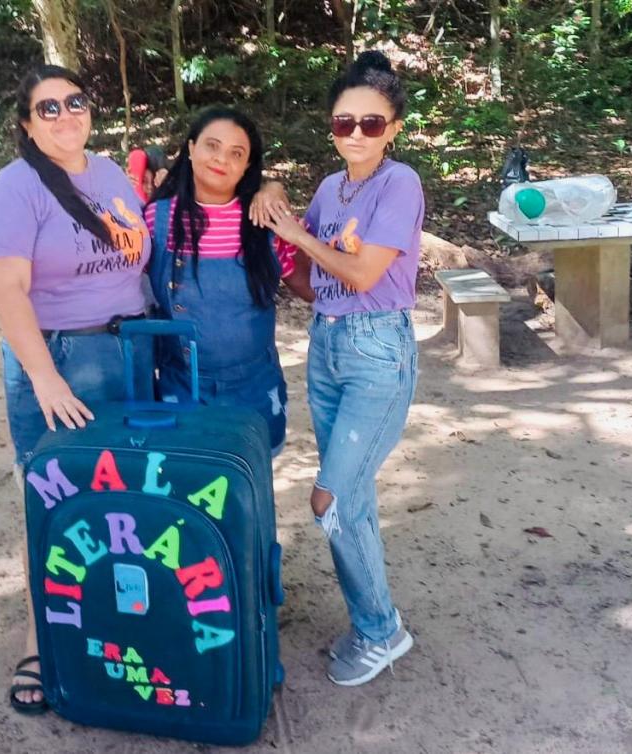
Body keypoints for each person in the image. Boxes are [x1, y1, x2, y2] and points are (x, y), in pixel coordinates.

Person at [0, 64, 152, 714]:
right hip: (63, 361)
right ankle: (38, 640)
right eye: (47, 108)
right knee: (58, 503)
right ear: (26, 123)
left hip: (129, 352)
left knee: (128, 494)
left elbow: (136, 250)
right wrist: (45, 376)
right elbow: (4, 288)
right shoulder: (13, 190)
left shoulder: (107, 175)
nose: (65, 114)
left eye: (75, 101)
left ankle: (119, 621)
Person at [256, 50, 423, 686]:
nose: (355, 134)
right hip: (326, 348)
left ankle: (382, 631)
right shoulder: (332, 189)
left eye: (371, 123)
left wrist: (295, 232)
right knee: (351, 501)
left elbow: (360, 272)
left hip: (378, 353)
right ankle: (377, 623)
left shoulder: (399, 184)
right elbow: (317, 284)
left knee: (330, 497)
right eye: (343, 122)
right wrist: (274, 247)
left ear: (394, 128)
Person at [144, 106, 312, 456]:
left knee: (246, 490)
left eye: (237, 153)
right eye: (212, 146)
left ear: (248, 166)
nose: (221, 159)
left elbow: (308, 287)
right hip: (181, 386)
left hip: (255, 387)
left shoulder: (265, 219)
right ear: (190, 149)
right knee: (187, 486)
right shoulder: (156, 219)